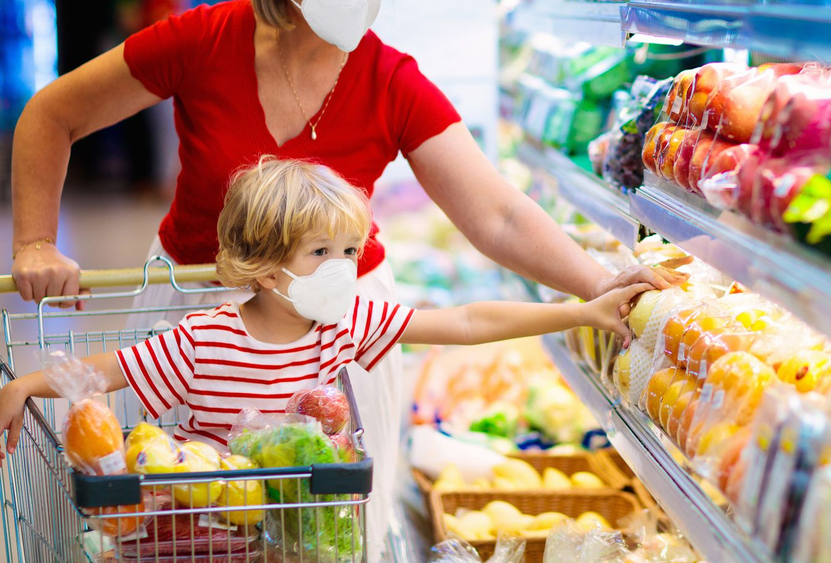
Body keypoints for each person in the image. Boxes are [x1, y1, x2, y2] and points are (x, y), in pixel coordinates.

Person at [8, 0, 680, 561]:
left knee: (326, 547)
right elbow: (52, 115)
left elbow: (498, 216)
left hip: (334, 327)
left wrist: (597, 284)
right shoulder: (201, 42)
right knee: (180, 528)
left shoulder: (390, 80)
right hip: (196, 316)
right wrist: (32, 241)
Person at [0, 157, 647, 460]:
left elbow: (469, 322)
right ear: (261, 264)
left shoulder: (345, 323)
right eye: (320, 252)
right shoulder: (204, 339)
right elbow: (114, 369)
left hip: (308, 541)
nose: (342, 268)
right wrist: (27, 383)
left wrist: (582, 311)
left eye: (349, 249)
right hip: (212, 538)